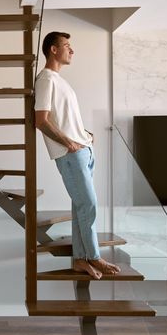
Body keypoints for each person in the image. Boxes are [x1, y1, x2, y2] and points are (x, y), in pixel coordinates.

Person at [34, 31, 121, 279]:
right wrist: (69, 142)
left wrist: (84, 135)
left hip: (83, 150)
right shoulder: (46, 80)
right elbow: (40, 121)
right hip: (70, 153)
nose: (71, 50)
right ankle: (93, 256)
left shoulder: (60, 81)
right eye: (66, 46)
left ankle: (79, 261)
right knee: (89, 204)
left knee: (81, 206)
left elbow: (65, 118)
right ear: (53, 49)